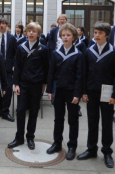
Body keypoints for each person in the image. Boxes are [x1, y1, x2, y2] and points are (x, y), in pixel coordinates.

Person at [80, 22, 115, 168]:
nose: (96, 35)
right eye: (95, 32)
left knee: (107, 123)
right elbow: (84, 73)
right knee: (92, 122)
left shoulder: (114, 52)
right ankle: (91, 149)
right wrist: (83, 92)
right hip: (91, 92)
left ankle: (107, 151)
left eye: (100, 33)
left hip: (107, 93)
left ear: (107, 35)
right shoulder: (89, 51)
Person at [8, 22, 49, 150]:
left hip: (36, 85)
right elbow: (18, 67)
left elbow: (46, 68)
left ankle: (30, 137)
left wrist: (44, 84)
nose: (31, 33)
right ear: (26, 32)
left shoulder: (43, 49)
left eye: (34, 31)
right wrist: (16, 84)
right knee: (20, 111)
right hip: (23, 84)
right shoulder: (21, 48)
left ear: (38, 34)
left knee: (33, 112)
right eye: (29, 31)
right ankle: (19, 137)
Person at [46, 23, 84, 160]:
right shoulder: (56, 53)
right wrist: (49, 90)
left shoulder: (78, 54)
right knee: (58, 118)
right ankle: (57, 143)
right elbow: (51, 73)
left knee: (73, 120)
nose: (66, 37)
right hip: (59, 91)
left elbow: (80, 76)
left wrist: (77, 94)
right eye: (63, 35)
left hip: (72, 92)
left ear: (74, 37)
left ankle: (72, 146)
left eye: (68, 35)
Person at [0, 17, 17, 122]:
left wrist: (14, 65)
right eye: (0, 24)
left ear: (7, 25)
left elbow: (16, 53)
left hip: (8, 68)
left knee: (7, 89)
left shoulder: (12, 38)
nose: (1, 25)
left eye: (3, 23)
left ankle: (5, 111)